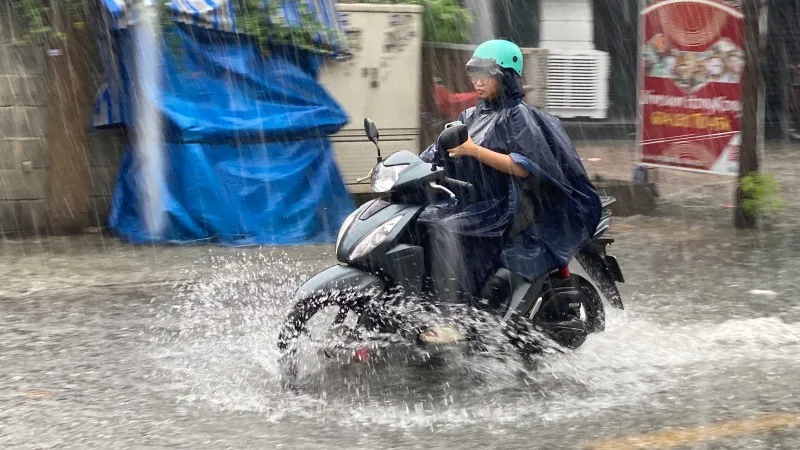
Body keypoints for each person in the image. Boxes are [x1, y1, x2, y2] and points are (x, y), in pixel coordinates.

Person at [416, 39, 603, 320]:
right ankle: (422, 303)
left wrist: (474, 151)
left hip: (499, 207)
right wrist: (399, 169)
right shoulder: (471, 115)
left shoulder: (518, 116)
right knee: (419, 220)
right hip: (468, 200)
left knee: (445, 229)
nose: (478, 82)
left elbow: (523, 167)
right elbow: (436, 152)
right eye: (474, 75)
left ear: (505, 77)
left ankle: (455, 314)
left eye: (486, 75)